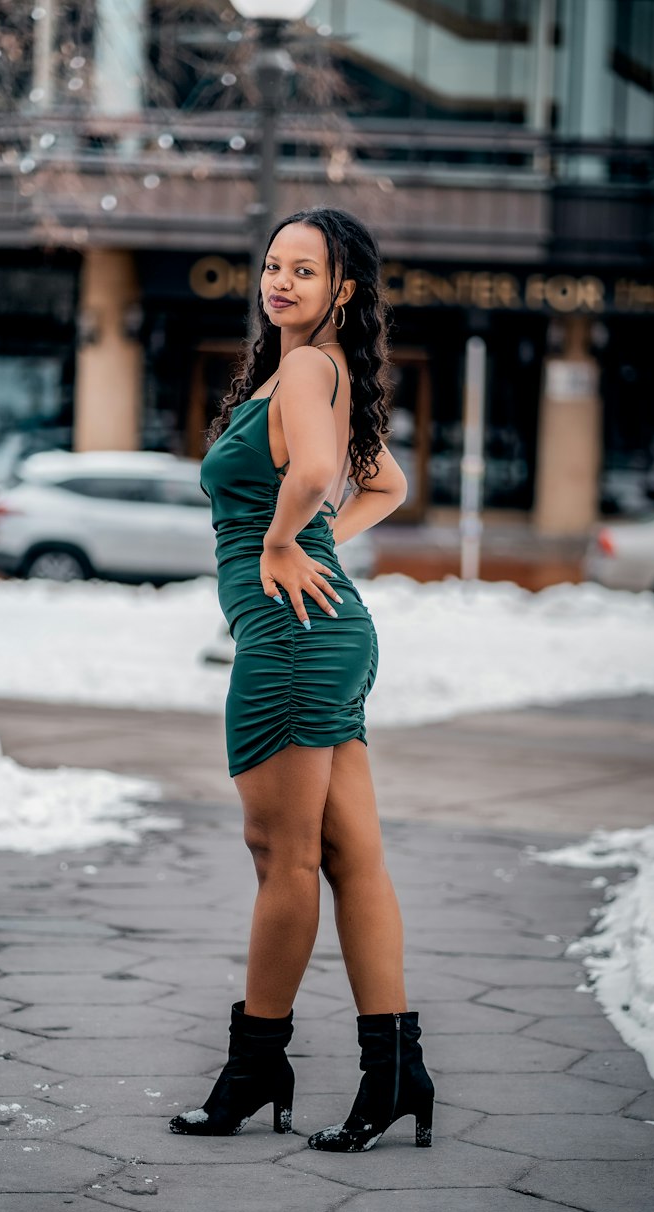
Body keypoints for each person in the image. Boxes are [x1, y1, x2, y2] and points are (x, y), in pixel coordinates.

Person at [169, 207, 434, 1152]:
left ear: (342, 292)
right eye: (273, 267)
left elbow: (323, 471)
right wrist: (315, 540)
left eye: (304, 272)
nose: (279, 283)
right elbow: (386, 484)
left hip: (289, 640)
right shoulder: (301, 374)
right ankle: (394, 1071)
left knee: (281, 858)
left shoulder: (313, 368)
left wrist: (285, 540)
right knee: (349, 857)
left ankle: (255, 1066)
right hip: (324, 632)